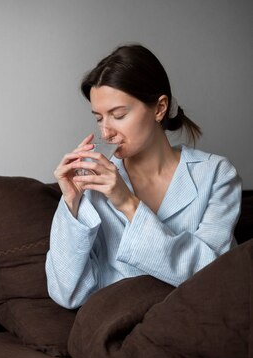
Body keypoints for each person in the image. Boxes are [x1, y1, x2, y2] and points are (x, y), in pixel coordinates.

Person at [45, 44, 242, 309]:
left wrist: (127, 203)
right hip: (118, 323)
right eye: (99, 118)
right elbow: (66, 294)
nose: (106, 133)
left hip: (192, 320)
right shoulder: (93, 183)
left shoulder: (216, 174)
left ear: (160, 108)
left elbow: (210, 278)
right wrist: (70, 204)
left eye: (118, 115)